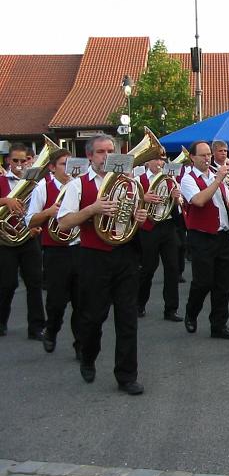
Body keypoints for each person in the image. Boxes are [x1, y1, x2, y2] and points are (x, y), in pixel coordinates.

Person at [57, 134, 149, 395]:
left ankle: (127, 376)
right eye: (100, 152)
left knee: (127, 318)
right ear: (89, 156)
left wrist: (139, 216)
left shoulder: (130, 184)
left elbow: (131, 220)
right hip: (93, 257)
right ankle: (88, 357)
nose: (107, 156)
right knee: (93, 317)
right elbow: (63, 223)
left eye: (110, 150)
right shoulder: (78, 185)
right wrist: (92, 209)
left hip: (124, 255)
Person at [179, 141, 229, 340]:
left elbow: (228, 203)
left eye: (208, 155)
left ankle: (219, 325)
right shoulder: (188, 179)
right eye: (203, 155)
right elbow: (199, 201)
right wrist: (218, 180)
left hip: (222, 235)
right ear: (192, 157)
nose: (207, 159)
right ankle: (191, 312)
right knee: (203, 282)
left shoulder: (216, 176)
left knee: (223, 284)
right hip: (201, 236)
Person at [26, 149, 81, 357]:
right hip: (56, 252)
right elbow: (30, 221)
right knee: (57, 302)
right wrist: (49, 212)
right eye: (63, 164)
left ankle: (81, 346)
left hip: (80, 248)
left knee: (82, 302)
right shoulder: (42, 188)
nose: (68, 169)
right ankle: (52, 329)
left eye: (71, 164)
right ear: (51, 167)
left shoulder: (79, 185)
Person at [0, 142, 46, 340]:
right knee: (7, 283)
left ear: (28, 161)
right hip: (5, 240)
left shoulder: (35, 182)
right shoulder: (1, 180)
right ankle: (1, 321)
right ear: (8, 161)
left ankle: (36, 327)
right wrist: (5, 200)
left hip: (28, 238)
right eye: (15, 160)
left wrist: (37, 224)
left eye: (23, 160)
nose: (19, 164)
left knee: (35, 282)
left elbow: (40, 207)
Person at [136, 157, 183, 321]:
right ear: (147, 162)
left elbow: (178, 205)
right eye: (155, 159)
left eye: (161, 160)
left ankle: (171, 309)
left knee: (172, 268)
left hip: (167, 225)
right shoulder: (139, 180)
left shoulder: (170, 179)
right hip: (149, 227)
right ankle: (139, 304)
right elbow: (131, 203)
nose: (159, 163)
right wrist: (143, 198)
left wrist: (176, 198)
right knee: (148, 267)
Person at [210, 140, 229, 295]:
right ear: (214, 152)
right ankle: (219, 283)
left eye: (225, 151)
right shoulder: (210, 169)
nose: (223, 153)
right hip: (216, 215)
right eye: (220, 151)